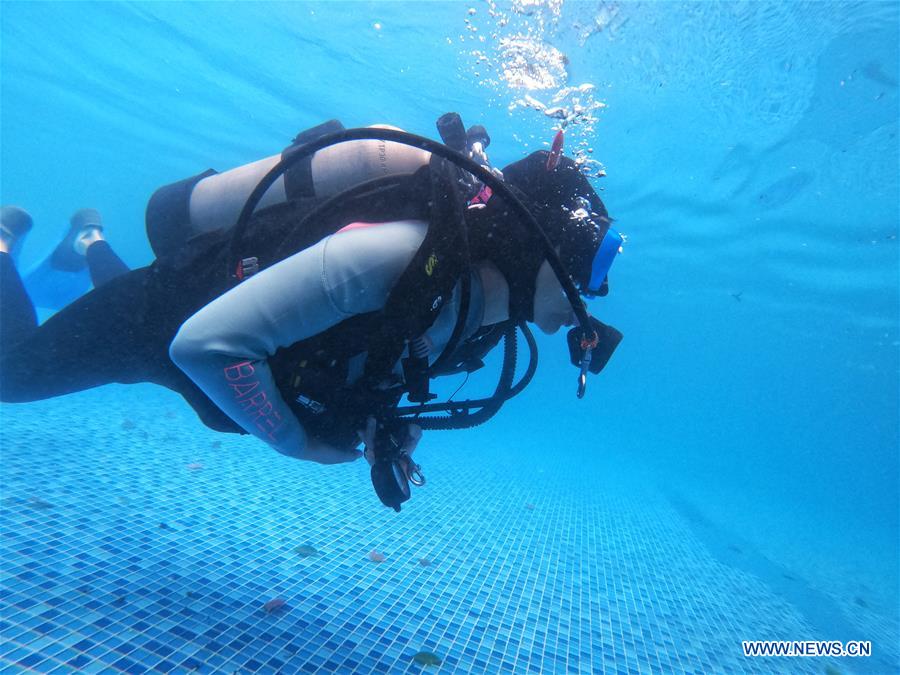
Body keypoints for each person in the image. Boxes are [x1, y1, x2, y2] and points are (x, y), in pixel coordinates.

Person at [0, 117, 623, 509]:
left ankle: (88, 242)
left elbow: (377, 356)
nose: (591, 300)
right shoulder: (395, 258)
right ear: (536, 248)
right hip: (164, 315)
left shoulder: (482, 311)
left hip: (205, 346)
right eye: (591, 273)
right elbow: (203, 347)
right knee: (13, 376)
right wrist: (294, 442)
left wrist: (376, 425)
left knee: (124, 334)